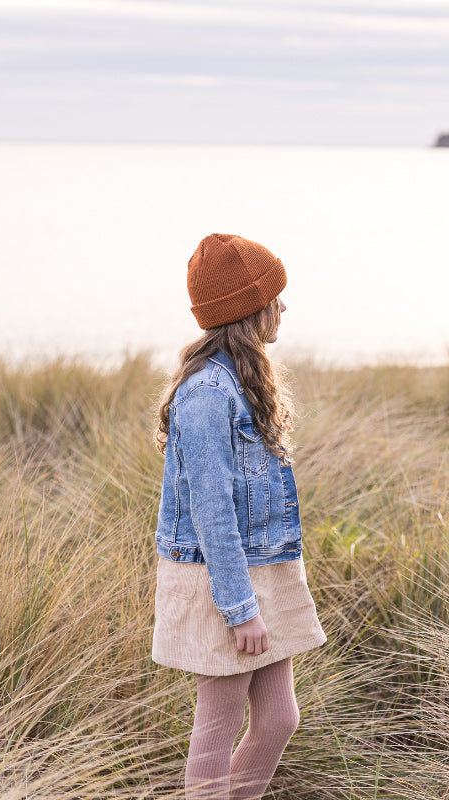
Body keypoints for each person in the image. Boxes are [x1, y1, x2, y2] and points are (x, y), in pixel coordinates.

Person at [151, 233, 327, 800]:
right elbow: (212, 514)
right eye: (275, 296)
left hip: (265, 569)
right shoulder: (206, 393)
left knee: (278, 720)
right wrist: (239, 608)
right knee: (217, 729)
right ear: (249, 309)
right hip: (221, 580)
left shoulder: (246, 382)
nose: (284, 307)